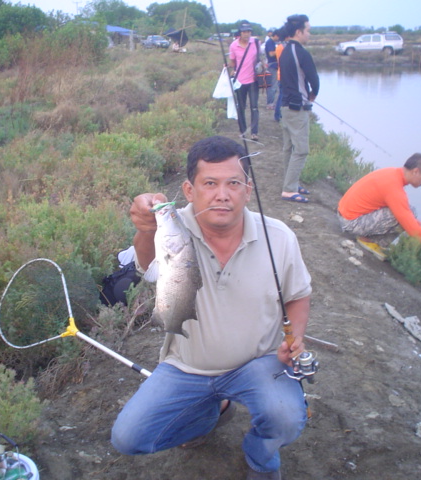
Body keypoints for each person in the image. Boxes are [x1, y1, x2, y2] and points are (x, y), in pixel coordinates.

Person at [111, 136, 312, 480]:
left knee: (287, 418)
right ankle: (212, 413)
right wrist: (145, 227)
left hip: (258, 363)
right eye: (210, 183)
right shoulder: (173, 226)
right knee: (128, 438)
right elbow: (147, 264)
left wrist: (296, 336)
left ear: (248, 189)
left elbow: (298, 294)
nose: (222, 194)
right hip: (186, 366)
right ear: (189, 191)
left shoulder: (279, 237)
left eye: (233, 183)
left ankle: (261, 459)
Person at [337, 153, 421, 260]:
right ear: (416, 171)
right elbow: (413, 231)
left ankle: (370, 240)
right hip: (351, 223)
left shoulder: (392, 173)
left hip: (346, 215)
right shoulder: (394, 188)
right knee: (401, 216)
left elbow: (406, 215)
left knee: (409, 212)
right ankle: (369, 241)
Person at [279, 14, 319, 204]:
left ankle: (291, 183)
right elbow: (314, 80)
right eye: (308, 30)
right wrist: (313, 94)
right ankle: (289, 189)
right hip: (297, 108)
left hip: (285, 106)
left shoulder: (285, 50)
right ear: (298, 32)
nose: (309, 34)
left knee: (289, 147)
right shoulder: (301, 52)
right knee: (301, 149)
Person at [229, 23, 261, 141]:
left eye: (248, 31)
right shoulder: (233, 46)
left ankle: (254, 132)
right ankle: (242, 131)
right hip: (239, 81)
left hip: (253, 80)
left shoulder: (256, 43)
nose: (246, 34)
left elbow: (260, 58)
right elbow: (232, 62)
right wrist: (228, 67)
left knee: (254, 107)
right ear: (240, 33)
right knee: (241, 107)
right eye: (244, 32)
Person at [264, 29, 279, 110]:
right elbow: (271, 53)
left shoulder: (272, 42)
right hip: (272, 66)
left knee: (273, 86)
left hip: (273, 66)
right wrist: (280, 50)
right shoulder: (270, 42)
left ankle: (271, 103)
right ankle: (270, 104)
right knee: (272, 86)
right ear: (275, 35)